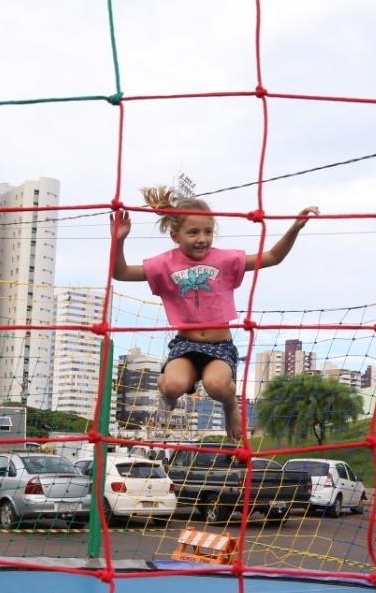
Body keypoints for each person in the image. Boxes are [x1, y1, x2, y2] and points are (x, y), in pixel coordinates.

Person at [111, 186, 319, 440]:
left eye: (208, 231)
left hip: (219, 345)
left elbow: (273, 257)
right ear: (175, 235)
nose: (202, 238)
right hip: (185, 346)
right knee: (173, 386)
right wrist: (119, 240)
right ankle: (167, 391)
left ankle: (231, 406)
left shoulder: (225, 260)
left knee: (216, 386)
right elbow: (120, 273)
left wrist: (295, 227)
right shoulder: (163, 264)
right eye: (193, 232)